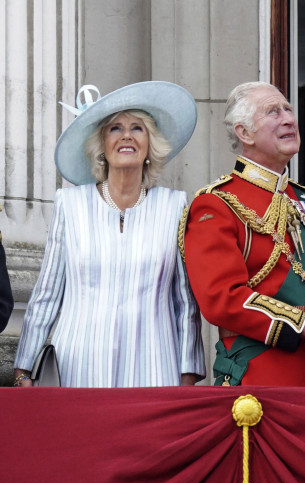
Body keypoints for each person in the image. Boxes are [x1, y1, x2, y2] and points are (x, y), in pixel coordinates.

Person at [13, 82, 205, 387]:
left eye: (137, 128)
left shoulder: (175, 206)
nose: (126, 135)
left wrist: (187, 374)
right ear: (101, 145)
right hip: (77, 367)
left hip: (155, 369)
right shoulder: (70, 204)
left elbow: (185, 302)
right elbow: (47, 294)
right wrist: (24, 369)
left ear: (149, 145)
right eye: (115, 128)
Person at [181, 82, 305, 387]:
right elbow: (220, 298)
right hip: (259, 382)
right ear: (245, 133)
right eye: (273, 112)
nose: (288, 119)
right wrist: (303, 323)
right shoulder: (217, 203)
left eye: (288, 110)